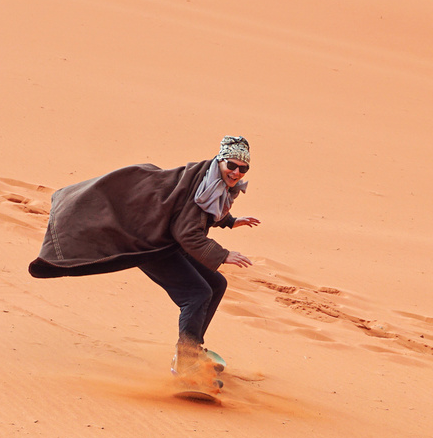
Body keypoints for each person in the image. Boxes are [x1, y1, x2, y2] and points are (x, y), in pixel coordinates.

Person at [29, 135, 260, 374]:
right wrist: (223, 255)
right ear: (219, 161)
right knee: (197, 294)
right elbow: (187, 232)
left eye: (243, 168)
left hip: (165, 241)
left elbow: (204, 210)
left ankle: (192, 347)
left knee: (216, 283)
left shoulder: (211, 180)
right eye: (231, 165)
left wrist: (230, 221)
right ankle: (186, 361)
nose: (236, 172)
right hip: (150, 245)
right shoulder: (202, 184)